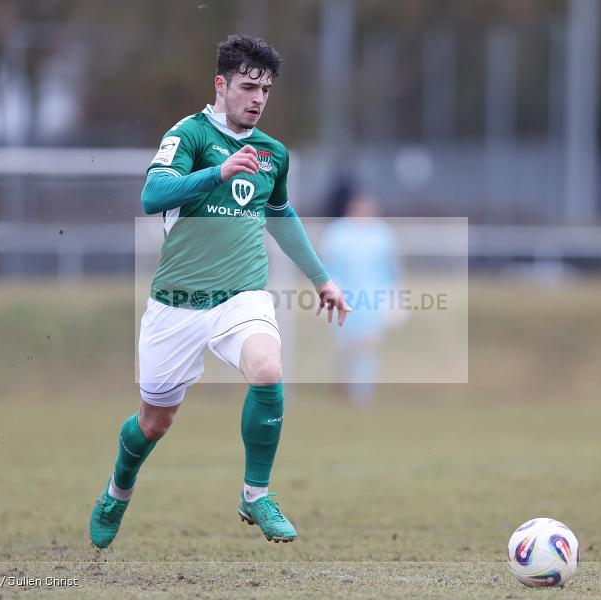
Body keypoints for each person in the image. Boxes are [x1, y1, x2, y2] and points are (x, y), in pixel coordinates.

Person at [89, 35, 351, 548]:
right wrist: (217, 172)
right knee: (155, 421)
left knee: (268, 370)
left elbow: (279, 213)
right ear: (221, 84)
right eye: (248, 86)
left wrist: (321, 278)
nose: (257, 98)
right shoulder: (187, 135)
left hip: (241, 294)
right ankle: (118, 491)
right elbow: (151, 196)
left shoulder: (273, 153)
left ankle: (256, 494)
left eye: (266, 90)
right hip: (177, 302)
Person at [320, 192, 400, 404]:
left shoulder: (382, 234)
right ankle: (342, 383)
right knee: (346, 345)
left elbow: (390, 270)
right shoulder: (338, 233)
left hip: (372, 299)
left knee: (367, 344)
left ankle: (362, 392)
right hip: (344, 297)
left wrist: (392, 298)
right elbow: (329, 267)